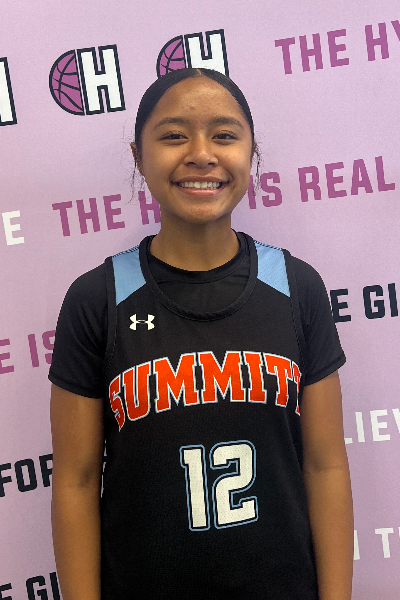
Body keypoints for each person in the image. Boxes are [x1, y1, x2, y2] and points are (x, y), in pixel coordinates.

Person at [49, 67, 353, 600]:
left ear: (252, 153)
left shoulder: (296, 287)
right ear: (139, 156)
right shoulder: (97, 299)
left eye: (224, 135)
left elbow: (325, 464)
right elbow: (75, 481)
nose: (201, 154)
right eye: (173, 135)